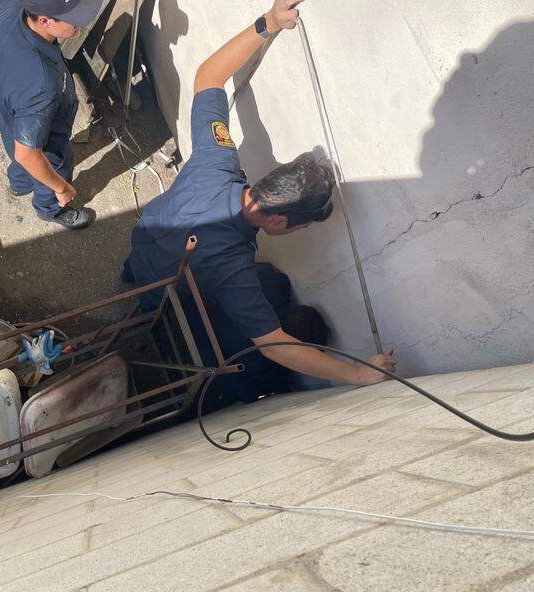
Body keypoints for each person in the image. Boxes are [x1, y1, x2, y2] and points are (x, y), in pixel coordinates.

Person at [122, 0, 397, 410]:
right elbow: (277, 348)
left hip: (143, 245)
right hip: (164, 295)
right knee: (251, 330)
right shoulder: (232, 268)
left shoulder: (218, 160)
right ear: (282, 219)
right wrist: (362, 374)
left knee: (268, 286)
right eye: (301, 228)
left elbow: (208, 77)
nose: (298, 233)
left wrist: (267, 23)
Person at [0, 0, 103, 230]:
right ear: (45, 21)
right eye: (74, 21)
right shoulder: (40, 84)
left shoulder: (7, 7)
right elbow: (28, 154)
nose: (80, 26)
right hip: (46, 139)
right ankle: (50, 209)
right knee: (53, 166)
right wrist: (62, 188)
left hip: (10, 117)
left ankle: (19, 184)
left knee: (16, 151)